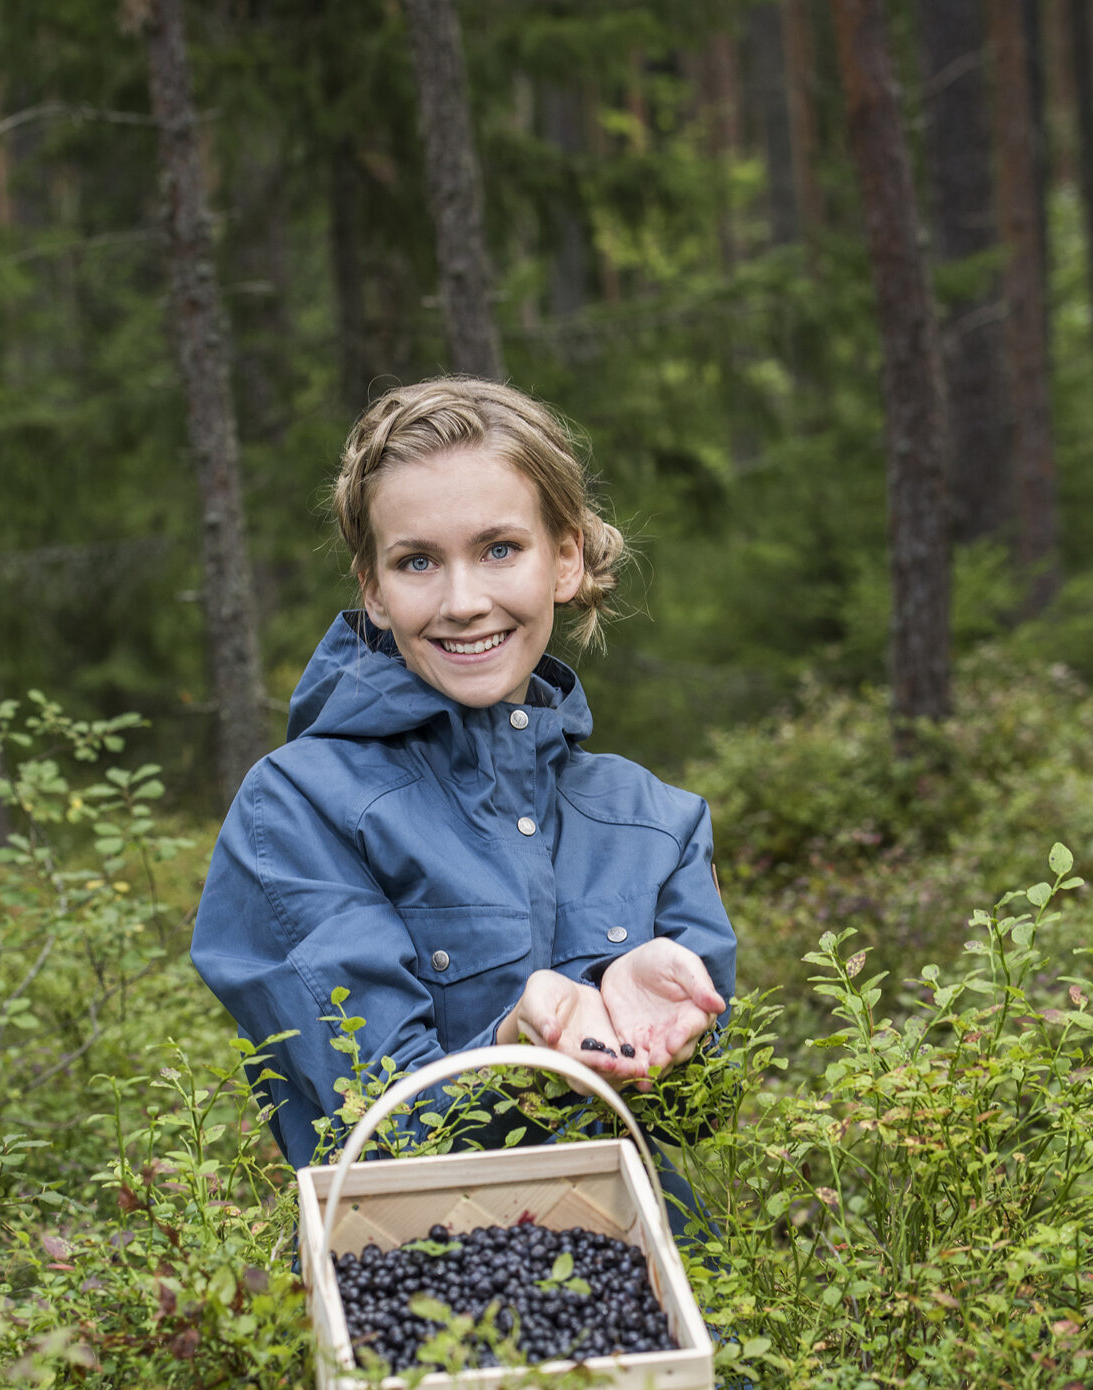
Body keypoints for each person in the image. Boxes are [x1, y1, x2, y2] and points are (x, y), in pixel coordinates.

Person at [191, 377, 737, 1172]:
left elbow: (704, 1123)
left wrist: (677, 1043)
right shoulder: (296, 810)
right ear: (373, 590)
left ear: (566, 557)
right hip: (406, 1282)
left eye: (499, 549)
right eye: (417, 561)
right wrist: (522, 1045)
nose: (463, 600)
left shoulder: (657, 820)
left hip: (654, 1277)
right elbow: (383, 1131)